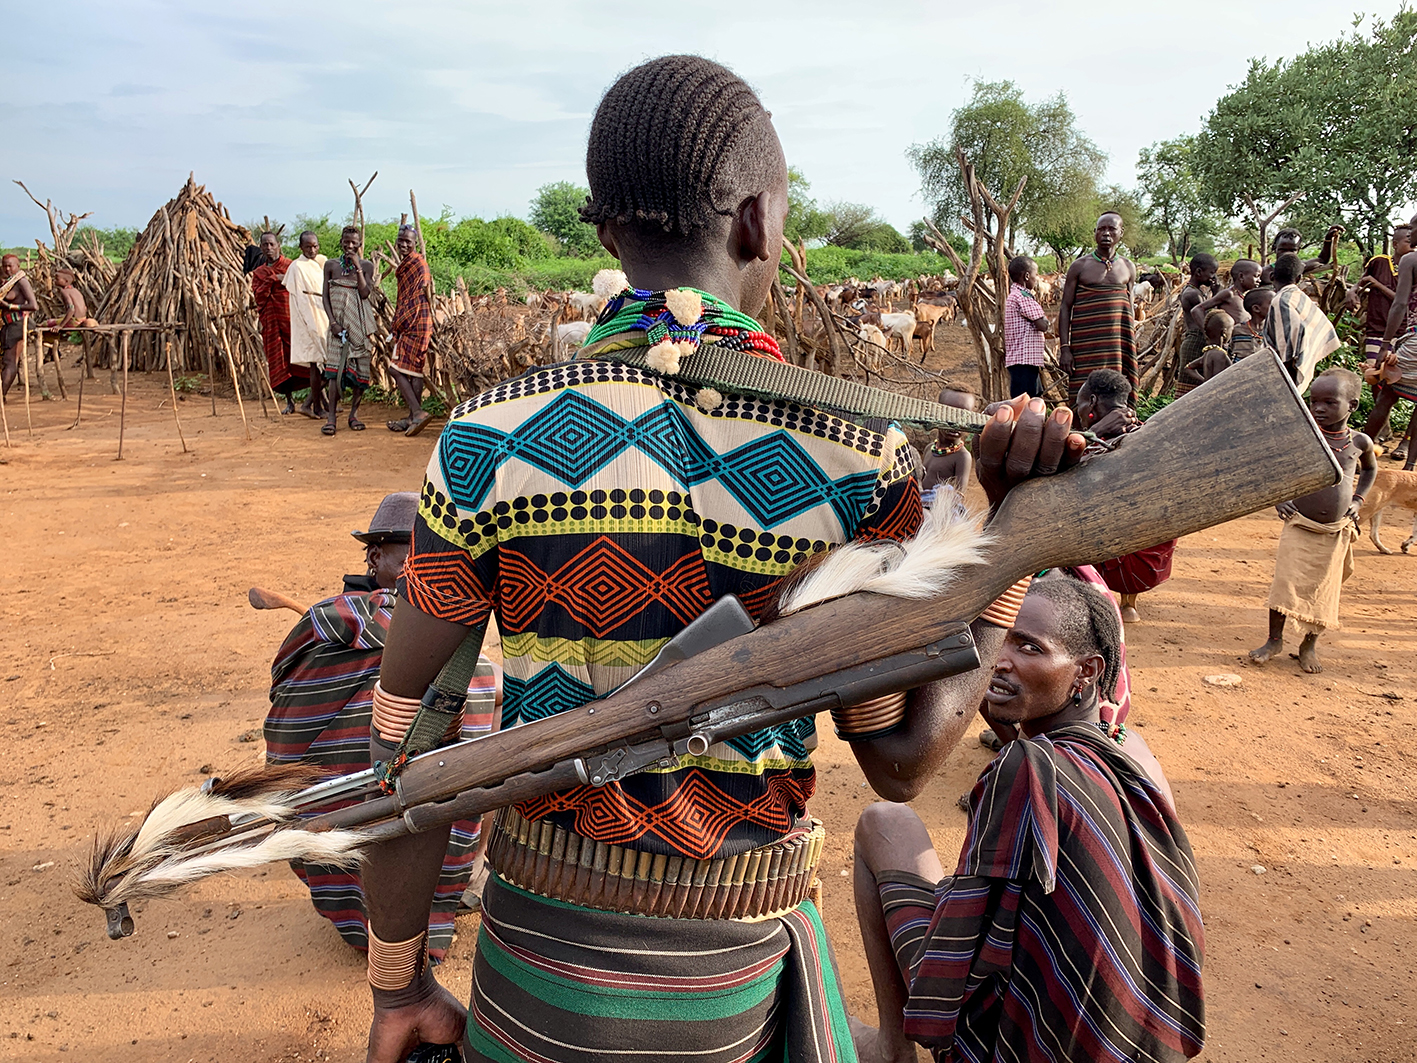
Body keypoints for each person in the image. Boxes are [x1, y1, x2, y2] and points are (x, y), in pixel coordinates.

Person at [358, 55, 1086, 1063]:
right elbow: (899, 759)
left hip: (540, 965)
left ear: (605, 232)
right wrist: (1009, 542)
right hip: (732, 978)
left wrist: (397, 985)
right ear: (755, 220)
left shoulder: (487, 440)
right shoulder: (848, 455)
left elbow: (408, 746)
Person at [851, 577, 1204, 1063]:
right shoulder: (1132, 752)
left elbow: (961, 950)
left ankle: (893, 1049)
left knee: (884, 822)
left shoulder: (1028, 769)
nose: (999, 660)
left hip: (1027, 1046)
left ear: (1085, 672)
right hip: (1139, 1040)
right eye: (998, 641)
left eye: (1029, 648)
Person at [264, 492, 499, 960]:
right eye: (412, 549)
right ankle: (457, 885)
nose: (425, 562)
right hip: (420, 882)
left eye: (432, 552)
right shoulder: (473, 661)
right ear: (375, 556)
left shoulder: (320, 627)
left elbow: (282, 735)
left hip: (333, 872)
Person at [1249, 368, 1376, 673]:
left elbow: (1370, 471)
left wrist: (1358, 501)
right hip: (1299, 524)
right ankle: (1274, 640)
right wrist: (1279, 498)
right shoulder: (1303, 434)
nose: (1318, 408)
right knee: (1285, 585)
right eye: (1314, 401)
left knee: (1323, 590)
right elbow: (1273, 467)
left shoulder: (1359, 442)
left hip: (1335, 530)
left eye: (1329, 402)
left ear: (1353, 405)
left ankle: (1308, 645)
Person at [1058, 212, 1138, 409]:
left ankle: (1116, 434)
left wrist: (1131, 342)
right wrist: (1065, 348)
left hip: (1117, 346)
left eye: (1112, 229)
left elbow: (1129, 306)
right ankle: (1081, 437)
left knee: (1116, 392)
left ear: (1121, 232)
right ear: (1094, 233)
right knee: (1083, 394)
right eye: (1101, 229)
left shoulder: (1128, 267)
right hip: (1085, 346)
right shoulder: (1080, 266)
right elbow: (1065, 307)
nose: (1106, 233)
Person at [1365, 231, 1417, 469]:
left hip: (1415, 340)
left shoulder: (1411, 260)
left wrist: (1386, 345)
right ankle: (1409, 467)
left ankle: (1362, 452)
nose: (1411, 231)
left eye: (1414, 226)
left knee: (1387, 393)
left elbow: (1400, 304)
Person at [321, 225, 377, 435]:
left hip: (359, 328)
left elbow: (364, 293)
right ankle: (331, 418)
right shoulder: (330, 265)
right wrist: (333, 323)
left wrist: (358, 268)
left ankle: (354, 414)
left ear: (360, 244)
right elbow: (325, 297)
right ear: (341, 242)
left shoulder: (367, 266)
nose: (350, 246)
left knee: (360, 374)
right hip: (337, 327)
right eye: (347, 242)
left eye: (354, 242)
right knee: (334, 372)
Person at [1265, 252, 1340, 392]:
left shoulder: (1280, 301)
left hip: (1287, 378)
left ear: (1271, 277)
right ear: (1299, 278)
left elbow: (1286, 351)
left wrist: (1286, 388)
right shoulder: (1299, 297)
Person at [388, 225, 435, 437]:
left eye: (408, 241)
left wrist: (398, 325)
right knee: (413, 371)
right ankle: (411, 418)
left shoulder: (418, 264)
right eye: (401, 240)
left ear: (415, 243)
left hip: (416, 321)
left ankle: (417, 412)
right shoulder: (407, 264)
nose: (404, 244)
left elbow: (415, 299)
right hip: (413, 321)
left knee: (395, 369)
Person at [250, 232, 301, 414]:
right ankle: (289, 401)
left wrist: (283, 280)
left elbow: (302, 288)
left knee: (304, 358)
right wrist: (272, 280)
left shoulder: (291, 266)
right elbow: (258, 296)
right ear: (261, 247)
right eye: (265, 245)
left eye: (272, 244)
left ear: (279, 245)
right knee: (280, 361)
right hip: (272, 323)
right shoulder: (259, 273)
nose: (269, 248)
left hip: (292, 321)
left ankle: (320, 398)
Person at [1347, 225, 1412, 366]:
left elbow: (1404, 301)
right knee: (1375, 374)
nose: (1413, 246)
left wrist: (1378, 285)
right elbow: (1362, 281)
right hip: (1377, 331)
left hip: (1405, 333)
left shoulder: (1414, 268)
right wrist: (1352, 291)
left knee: (1399, 376)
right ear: (1395, 244)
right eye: (1408, 241)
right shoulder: (1379, 262)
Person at [283, 231, 329, 419]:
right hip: (308, 319)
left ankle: (309, 403)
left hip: (323, 316)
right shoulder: (297, 267)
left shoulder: (319, 264)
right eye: (308, 246)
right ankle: (314, 406)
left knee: (330, 365)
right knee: (315, 365)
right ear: (300, 247)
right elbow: (300, 299)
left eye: (315, 246)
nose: (312, 249)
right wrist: (310, 323)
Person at [921, 385, 978, 502]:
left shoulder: (962, 456)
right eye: (949, 414)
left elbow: (958, 496)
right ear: (937, 413)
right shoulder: (929, 449)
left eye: (963, 416)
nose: (955, 423)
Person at [1003, 255, 1048, 397]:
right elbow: (1043, 325)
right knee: (1026, 400)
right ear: (1027, 276)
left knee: (1025, 397)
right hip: (1025, 360)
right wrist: (1045, 320)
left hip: (1020, 360)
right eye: (1036, 274)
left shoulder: (1014, 295)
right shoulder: (1023, 297)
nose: (1037, 278)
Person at [1173, 253, 1218, 397]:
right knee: (1191, 392)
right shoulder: (1193, 294)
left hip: (1196, 340)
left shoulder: (1194, 291)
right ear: (1199, 272)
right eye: (1212, 273)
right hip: (1196, 342)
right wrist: (1218, 294)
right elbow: (1208, 322)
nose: (1213, 277)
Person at [1, 253, 38, 398]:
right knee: (6, 361)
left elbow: (34, 306)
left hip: (19, 323)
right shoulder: (8, 283)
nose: (7, 268)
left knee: (10, 361)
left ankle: (1, 395)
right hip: (9, 324)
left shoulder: (21, 281)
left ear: (18, 266)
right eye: (5, 266)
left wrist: (9, 306)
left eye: (10, 265)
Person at [1190, 258, 1260, 329]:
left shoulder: (1247, 296)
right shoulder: (1229, 293)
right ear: (1241, 277)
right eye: (1256, 276)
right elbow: (1197, 309)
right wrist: (1207, 333)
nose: (1259, 280)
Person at [1179, 309, 1236, 389]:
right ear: (1224, 333)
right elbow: (1218, 381)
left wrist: (1204, 381)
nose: (1232, 332)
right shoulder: (1219, 354)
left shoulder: (1209, 352)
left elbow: (1189, 368)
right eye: (1231, 329)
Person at [1229, 288, 1275, 362]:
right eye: (1272, 304)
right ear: (1256, 308)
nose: (1276, 306)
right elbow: (1230, 353)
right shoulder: (1237, 331)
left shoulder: (1275, 330)